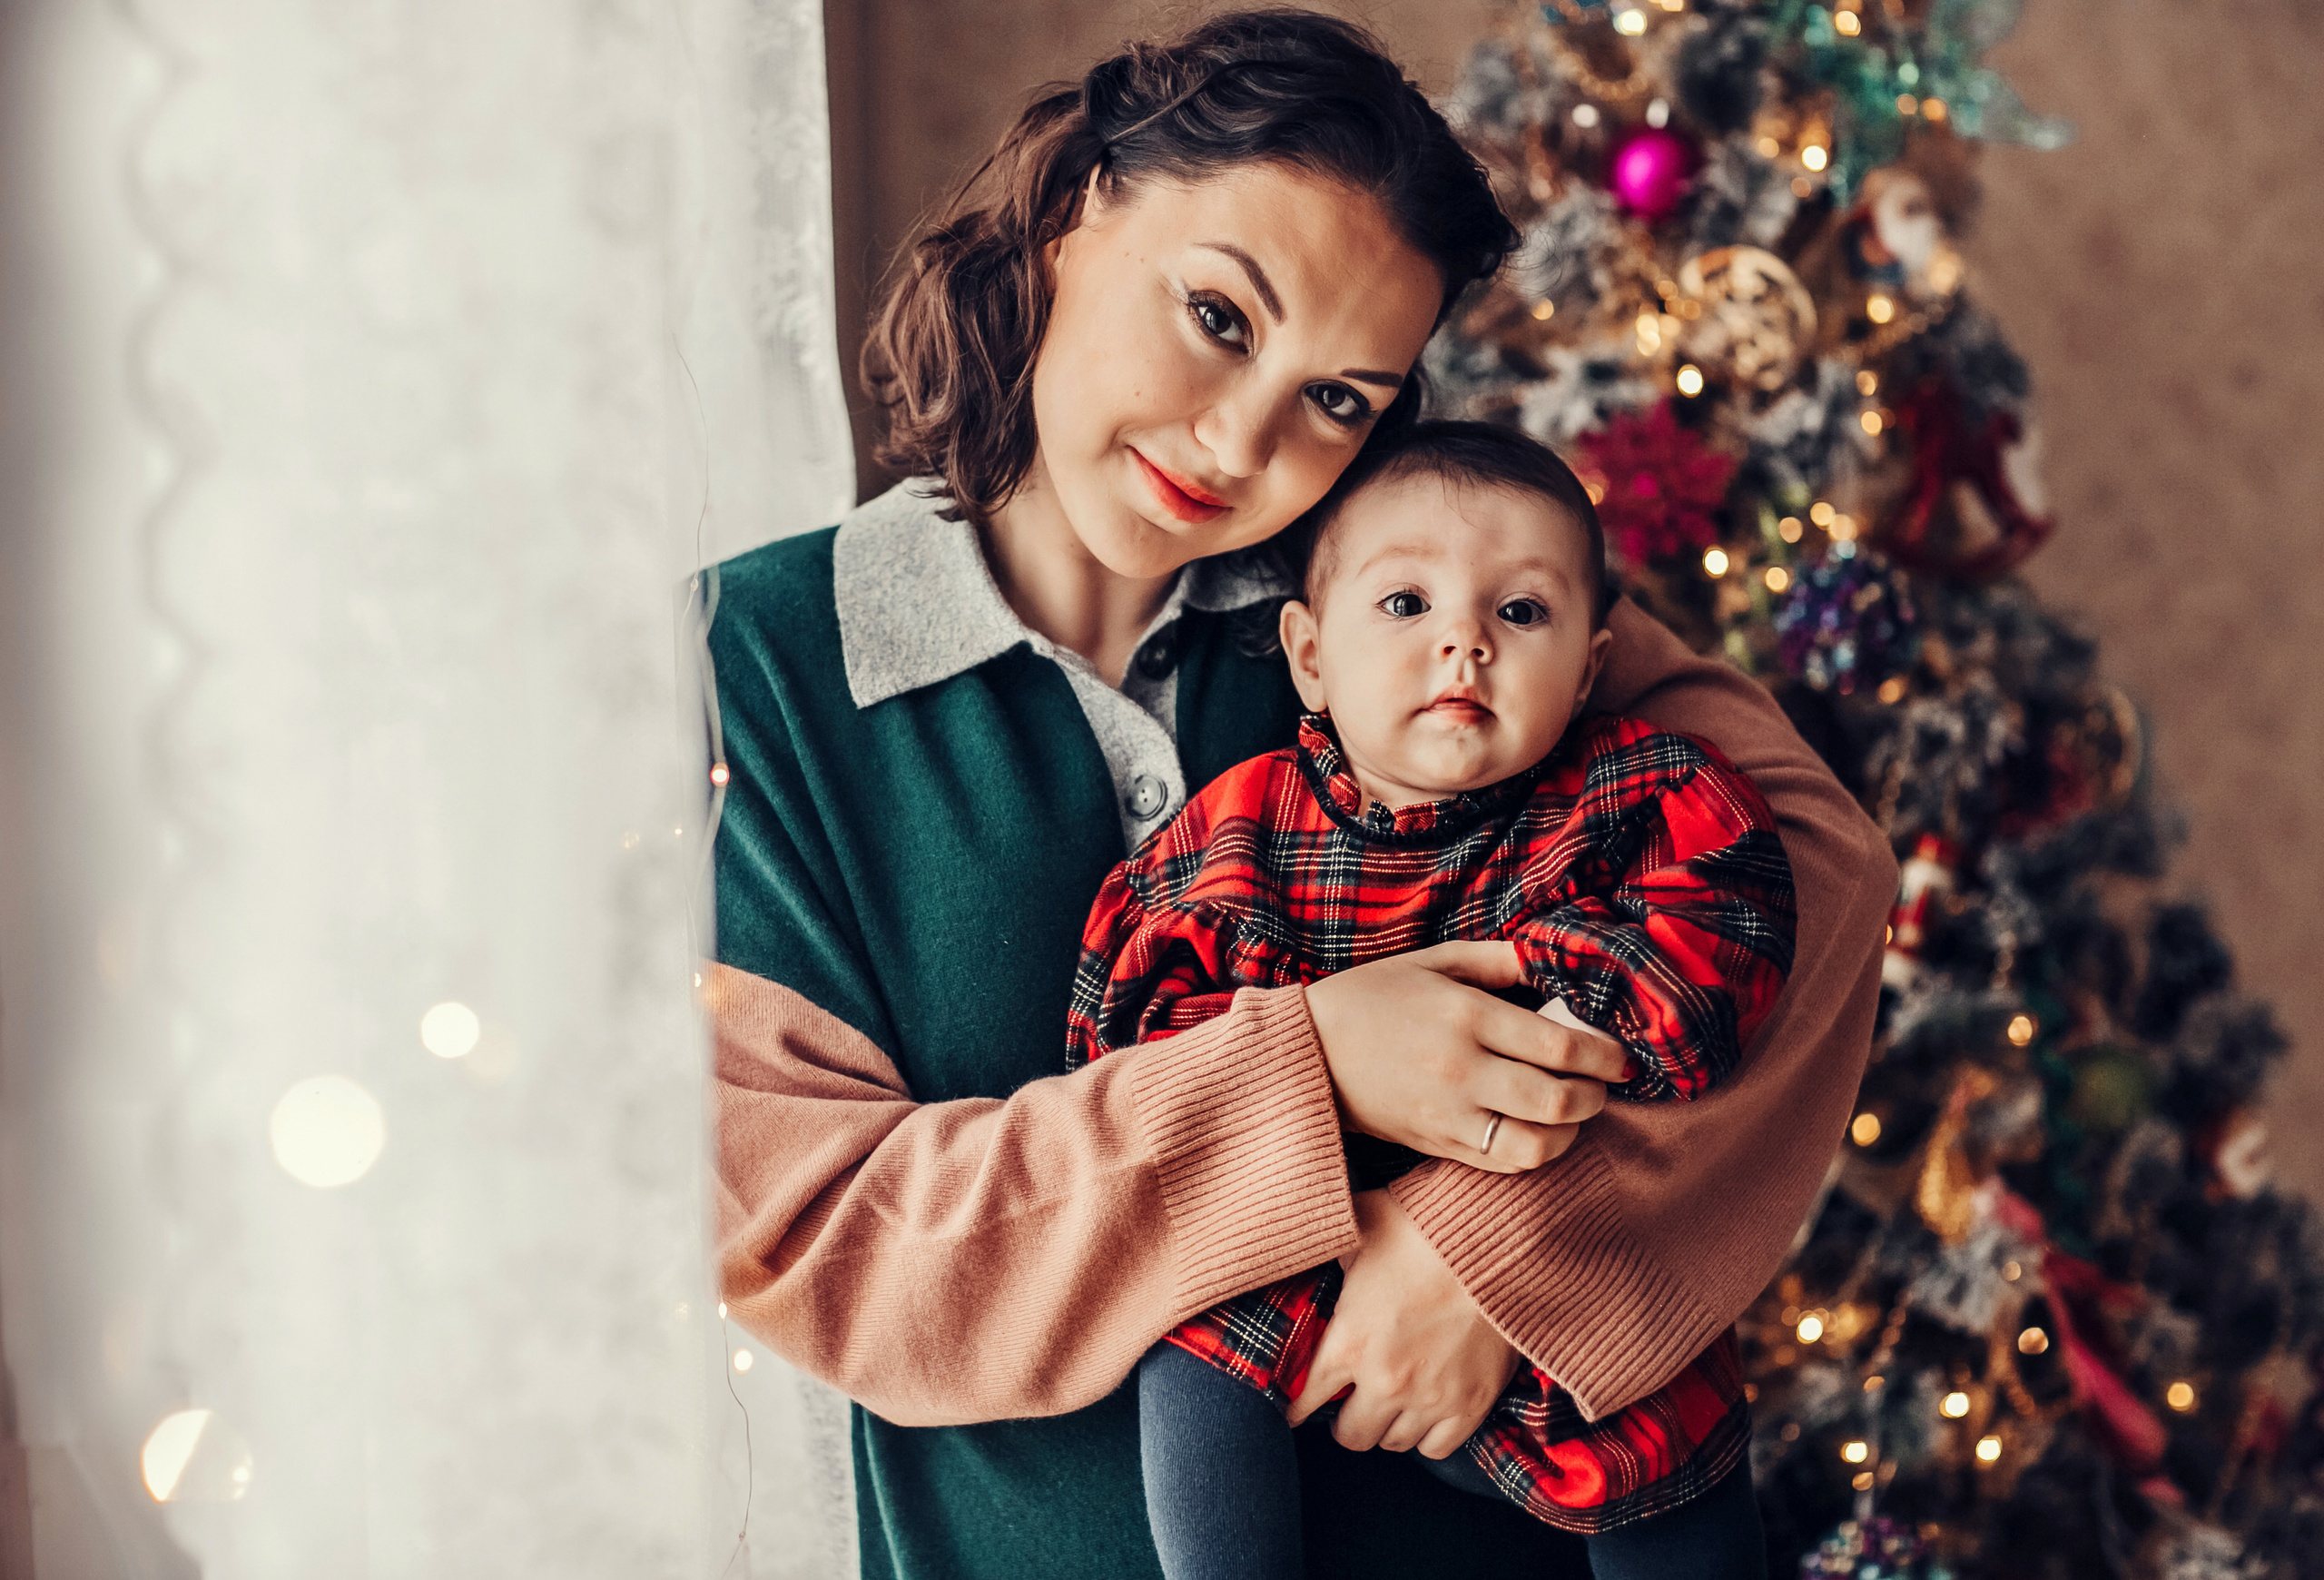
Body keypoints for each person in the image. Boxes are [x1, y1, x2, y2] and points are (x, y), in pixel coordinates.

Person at [709, 13, 1897, 1579]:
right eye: (1217, 314)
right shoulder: (766, 667)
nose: (1244, 440)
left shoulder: (1397, 602)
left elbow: (1811, 872)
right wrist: (1311, 1079)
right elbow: (822, 1242)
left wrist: (1498, 1255)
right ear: (1073, 211)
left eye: (1341, 398)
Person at [1071, 422, 1794, 1579]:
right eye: (1405, 606)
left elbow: (1731, 912)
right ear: (1309, 657)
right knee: (1188, 1330)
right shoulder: (1244, 830)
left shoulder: (1635, 793)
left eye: (1521, 614)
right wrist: (1279, 1074)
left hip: (1549, 1241)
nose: (1464, 642)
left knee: (1666, 1399)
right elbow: (1126, 1020)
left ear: (1591, 666)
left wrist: (1590, 1021)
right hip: (1298, 1231)